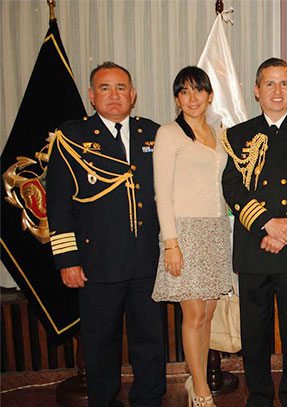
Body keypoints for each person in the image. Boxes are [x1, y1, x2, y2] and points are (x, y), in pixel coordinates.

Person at [46, 62, 165, 406]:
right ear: (91, 96)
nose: (114, 95)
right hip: (97, 262)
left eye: (121, 88)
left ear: (133, 94)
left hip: (147, 261)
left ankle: (149, 400)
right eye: (105, 88)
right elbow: (58, 204)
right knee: (99, 344)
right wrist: (67, 260)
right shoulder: (72, 137)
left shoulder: (153, 134)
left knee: (151, 342)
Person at [221, 57, 287, 406]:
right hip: (254, 247)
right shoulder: (237, 135)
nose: (277, 90)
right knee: (255, 335)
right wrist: (267, 223)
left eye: (284, 83)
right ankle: (259, 397)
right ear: (257, 90)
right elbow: (232, 187)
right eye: (269, 83)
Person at [151, 66, 231, 407]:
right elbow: (162, 194)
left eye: (198, 90)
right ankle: (200, 389)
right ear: (177, 98)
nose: (192, 97)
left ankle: (193, 378)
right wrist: (171, 243)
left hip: (216, 230)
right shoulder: (169, 134)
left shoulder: (220, 134)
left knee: (208, 314)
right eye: (184, 91)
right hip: (184, 233)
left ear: (209, 95)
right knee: (194, 314)